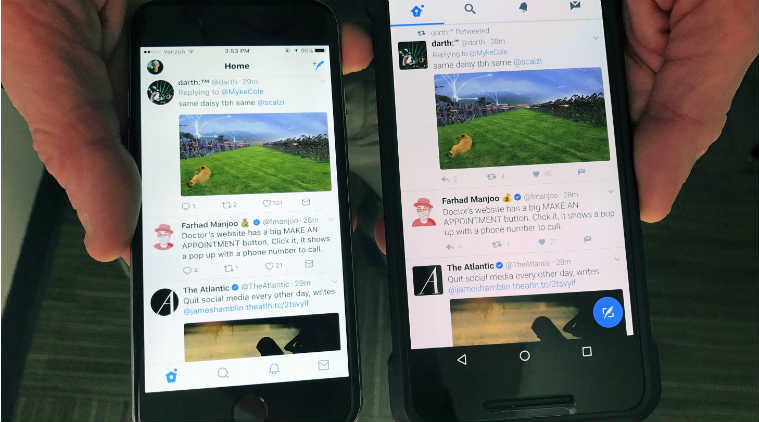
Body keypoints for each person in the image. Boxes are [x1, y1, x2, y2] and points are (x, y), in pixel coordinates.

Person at [2, 0, 757, 261]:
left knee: (424, 229)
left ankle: (363, 233)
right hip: (229, 44)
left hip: (451, 44)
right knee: (213, 232)